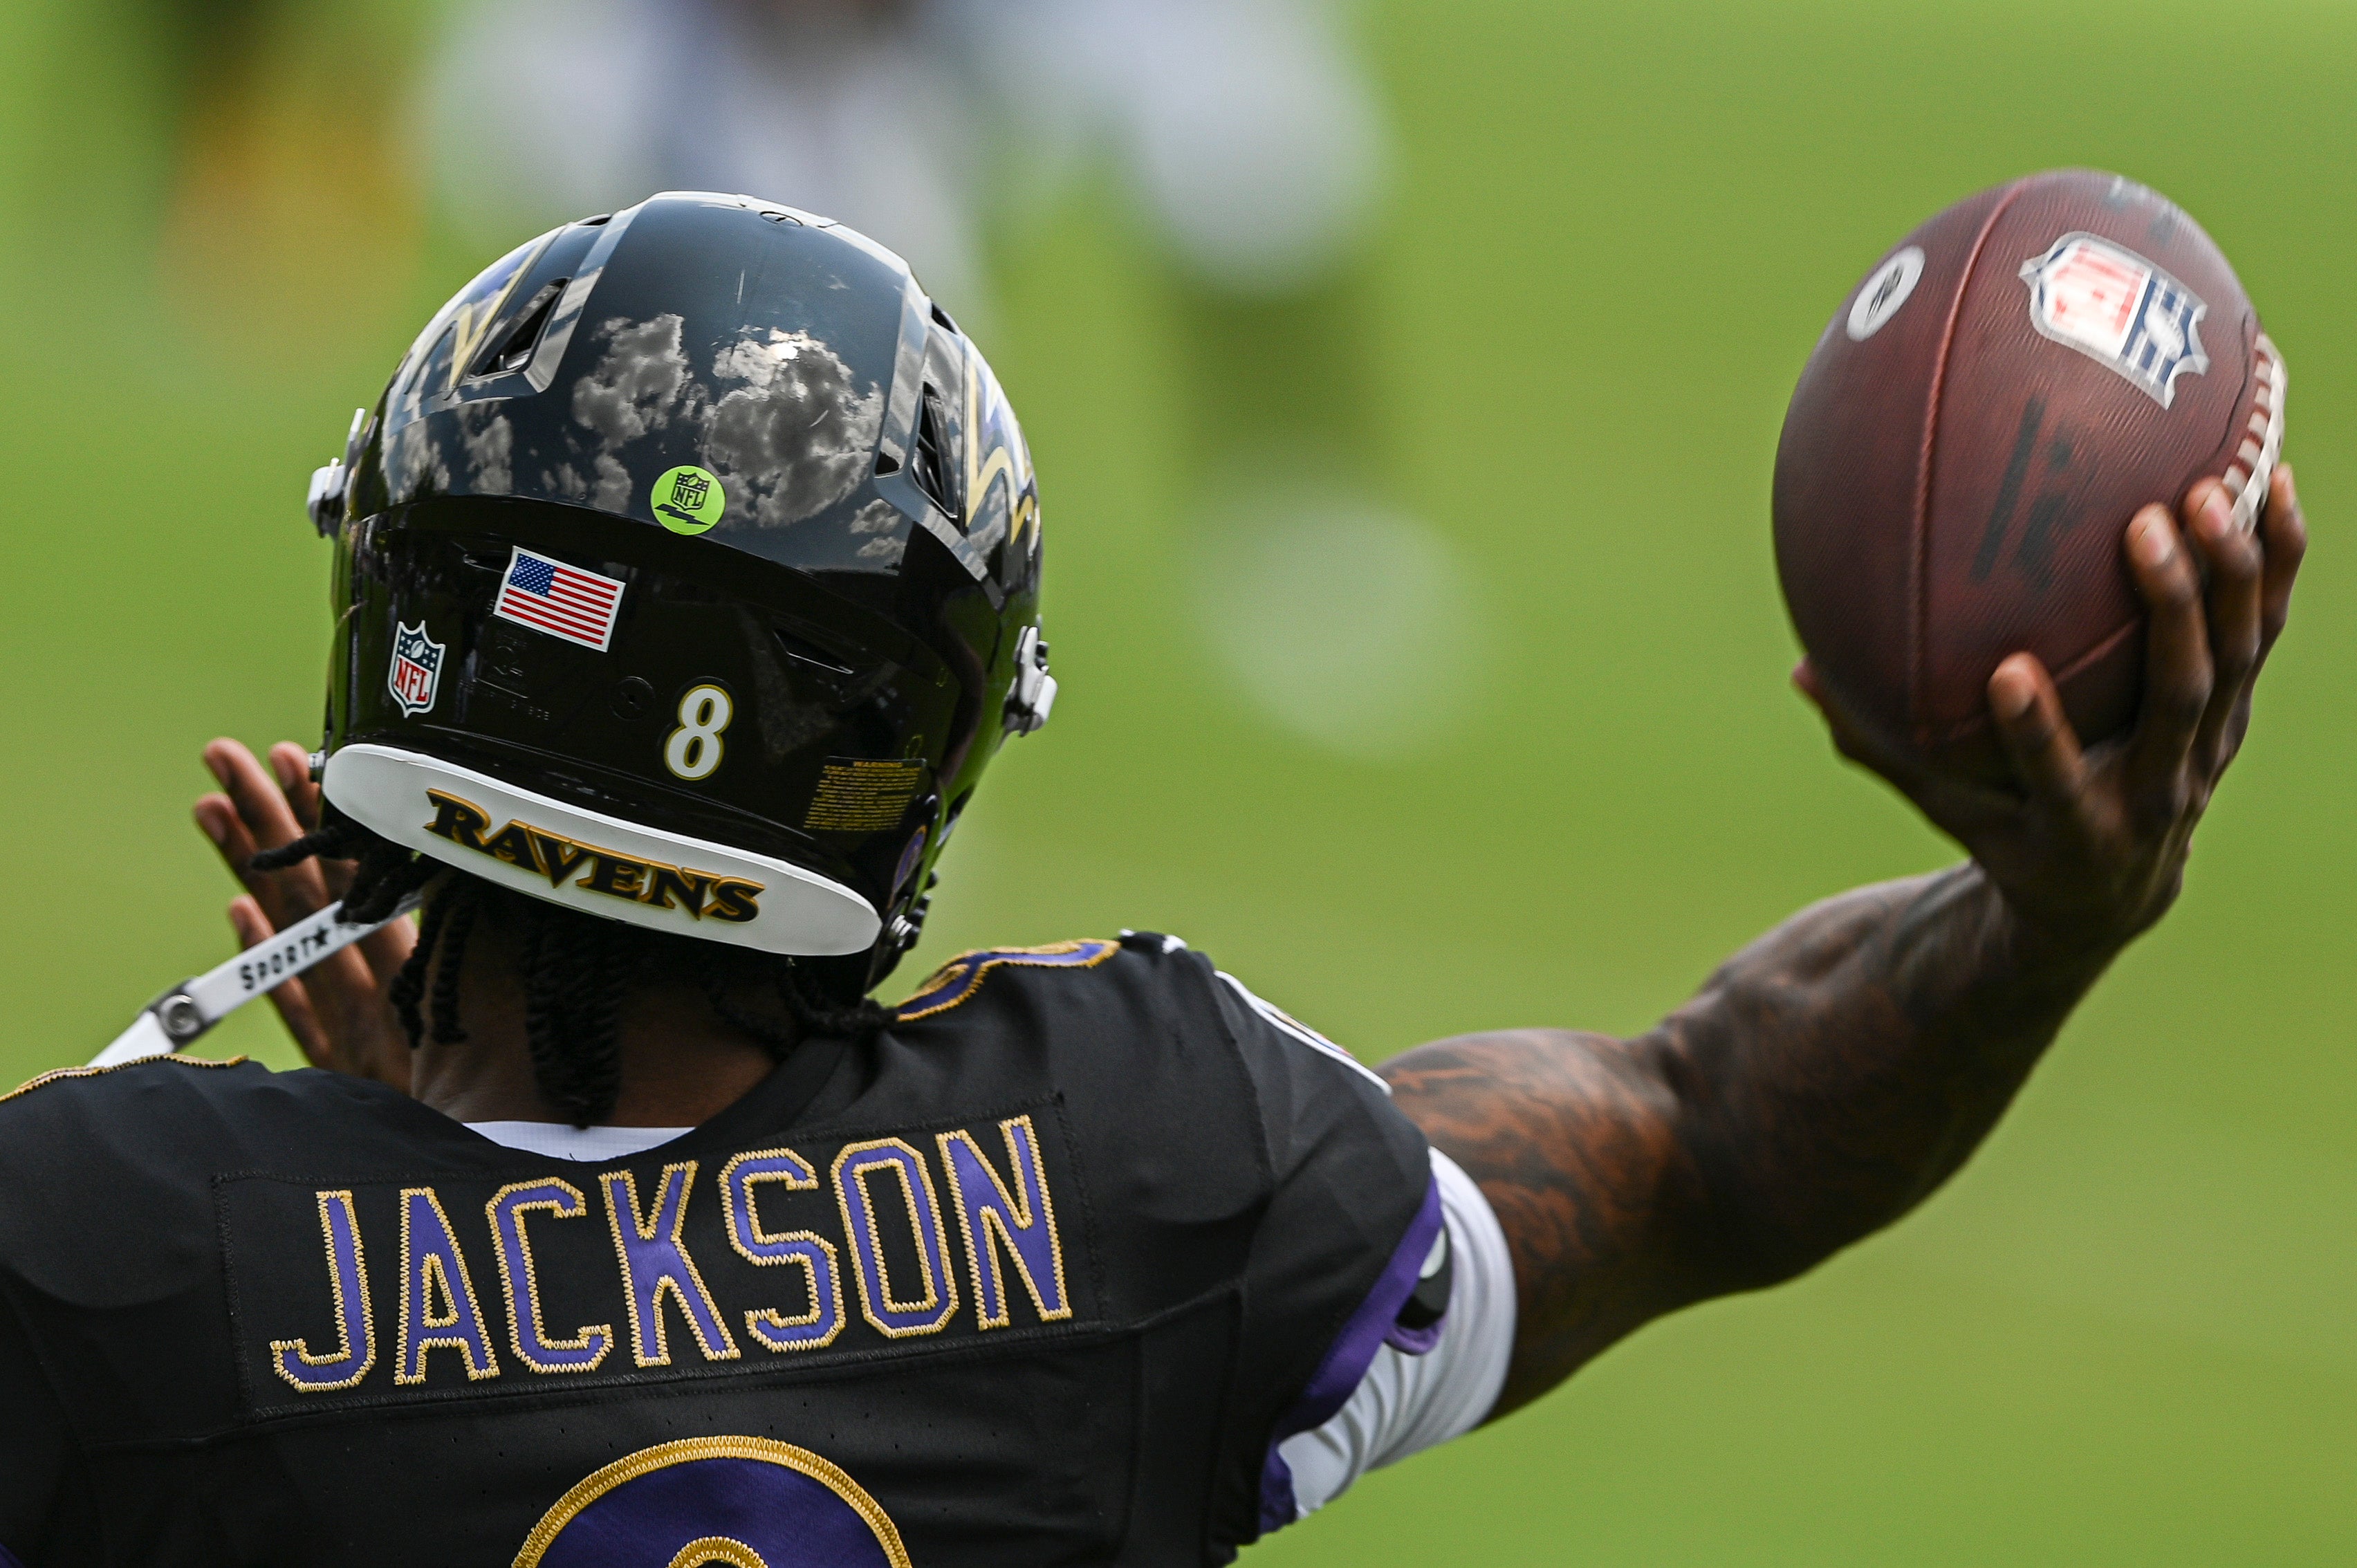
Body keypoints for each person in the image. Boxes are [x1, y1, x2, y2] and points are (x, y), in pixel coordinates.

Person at [0, 193, 2305, 1564]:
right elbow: (1705, 1130)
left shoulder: (105, 1249)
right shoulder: (1147, 1167)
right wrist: (2047, 917)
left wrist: (396, 1155)